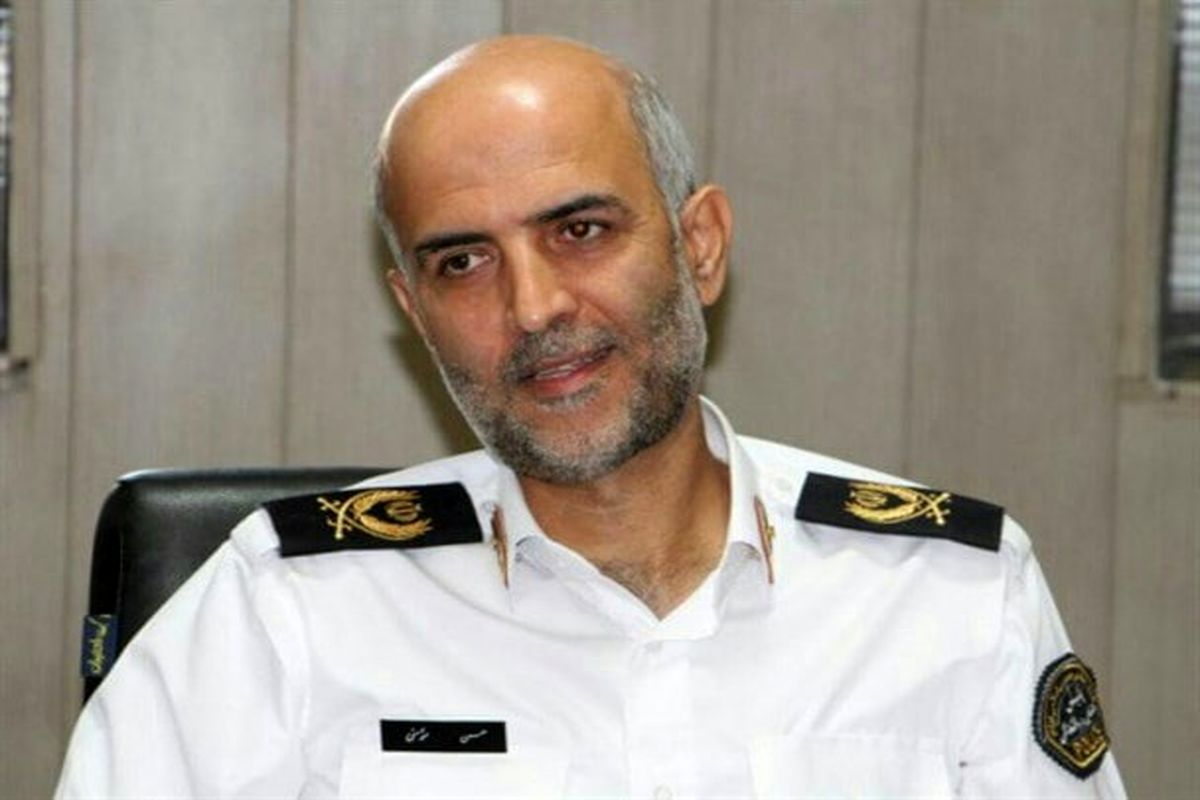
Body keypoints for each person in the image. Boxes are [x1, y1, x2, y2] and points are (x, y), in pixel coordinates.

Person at [56, 35, 1125, 798]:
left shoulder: (946, 592)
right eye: (462, 262)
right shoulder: (284, 606)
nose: (533, 309)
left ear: (700, 245)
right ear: (414, 312)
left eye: (580, 230)